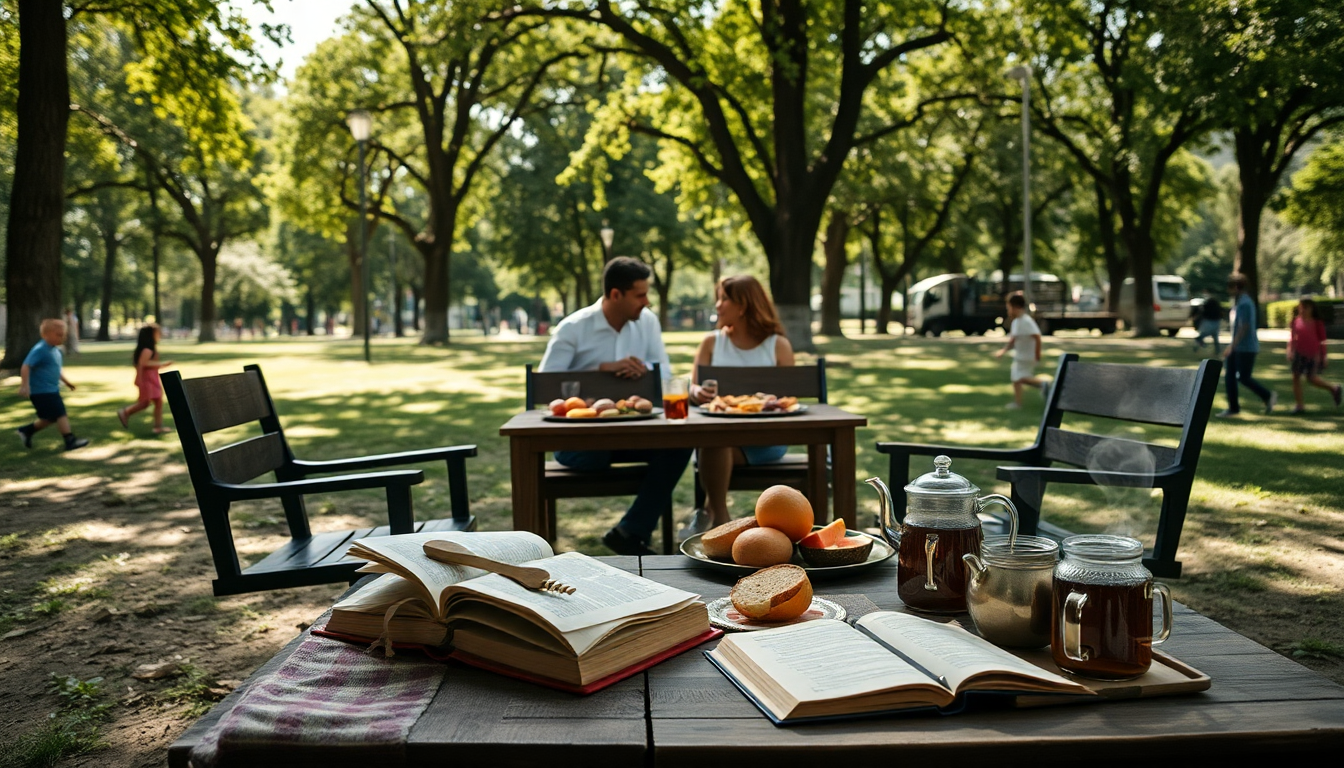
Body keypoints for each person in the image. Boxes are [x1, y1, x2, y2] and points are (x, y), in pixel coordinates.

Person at [537, 257, 692, 556]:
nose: (646, 302)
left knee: (680, 445)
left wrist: (645, 369)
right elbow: (546, 385)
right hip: (580, 442)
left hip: (632, 435)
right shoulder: (573, 327)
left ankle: (630, 531)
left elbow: (666, 374)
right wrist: (603, 370)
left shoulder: (647, 323)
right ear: (615, 294)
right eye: (640, 295)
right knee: (595, 456)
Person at [684, 275, 796, 536]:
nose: (718, 305)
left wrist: (771, 402)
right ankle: (722, 519)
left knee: (714, 445)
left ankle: (714, 517)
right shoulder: (711, 343)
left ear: (743, 305)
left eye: (724, 299)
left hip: (767, 440)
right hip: (720, 437)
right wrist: (696, 391)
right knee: (716, 441)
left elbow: (788, 403)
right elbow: (693, 389)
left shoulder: (777, 345)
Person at [15, 318, 89, 451]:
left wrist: (67, 383)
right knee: (60, 414)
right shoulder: (40, 349)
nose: (62, 337)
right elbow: (26, 366)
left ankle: (26, 431)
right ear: (45, 335)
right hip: (42, 391)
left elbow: (55, 371)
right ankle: (69, 440)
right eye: (58, 335)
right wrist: (25, 385)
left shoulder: (55, 350)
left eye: (63, 335)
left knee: (49, 418)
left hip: (51, 389)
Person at [1218, 273, 1276, 417]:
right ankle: (1233, 408)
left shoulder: (1245, 303)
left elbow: (1244, 327)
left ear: (1237, 287)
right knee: (1230, 375)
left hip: (1246, 348)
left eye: (1230, 287)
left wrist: (1232, 346)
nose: (1228, 290)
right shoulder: (1239, 302)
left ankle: (1267, 395)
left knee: (1243, 377)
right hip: (1237, 346)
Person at [994, 292, 1049, 409]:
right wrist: (1003, 351)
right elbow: (1013, 339)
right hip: (1020, 355)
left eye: (1009, 308)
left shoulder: (1026, 321)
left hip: (1027, 355)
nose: (1008, 311)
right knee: (1016, 378)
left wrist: (1037, 354)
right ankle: (1018, 402)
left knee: (1019, 378)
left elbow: (1037, 337)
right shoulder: (1016, 322)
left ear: (1016, 307)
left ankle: (1043, 384)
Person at [116, 324, 175, 434]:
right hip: (147, 380)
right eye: (158, 332)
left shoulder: (150, 348)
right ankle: (125, 412)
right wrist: (162, 364)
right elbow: (143, 364)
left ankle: (158, 427)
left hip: (152, 378)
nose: (160, 334)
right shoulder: (147, 350)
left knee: (158, 402)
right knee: (144, 403)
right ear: (150, 335)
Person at [1286, 297, 1342, 414]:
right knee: (1295, 377)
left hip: (1313, 355)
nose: (1302, 310)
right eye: (1301, 308)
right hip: (1299, 354)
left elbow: (1322, 341)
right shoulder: (1296, 321)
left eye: (1305, 308)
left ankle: (1334, 389)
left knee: (1311, 378)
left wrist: (1324, 356)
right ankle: (1299, 406)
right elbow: (1292, 338)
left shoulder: (1317, 323)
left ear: (1311, 308)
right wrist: (1290, 350)